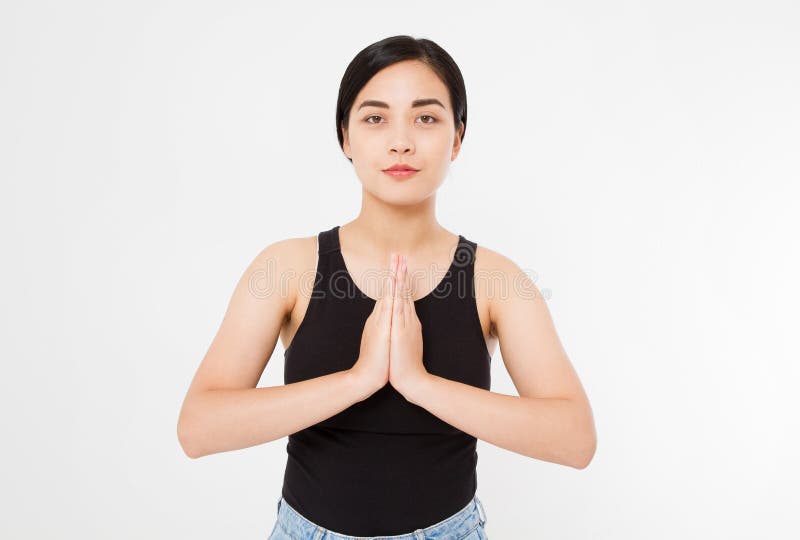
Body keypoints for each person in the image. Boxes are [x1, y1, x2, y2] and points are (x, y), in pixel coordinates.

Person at [177, 35, 596, 539]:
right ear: (346, 137)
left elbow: (575, 440)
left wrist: (419, 383)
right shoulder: (287, 267)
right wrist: (358, 379)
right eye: (376, 118)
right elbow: (198, 429)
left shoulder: (498, 281)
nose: (401, 141)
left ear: (457, 137)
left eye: (426, 117)